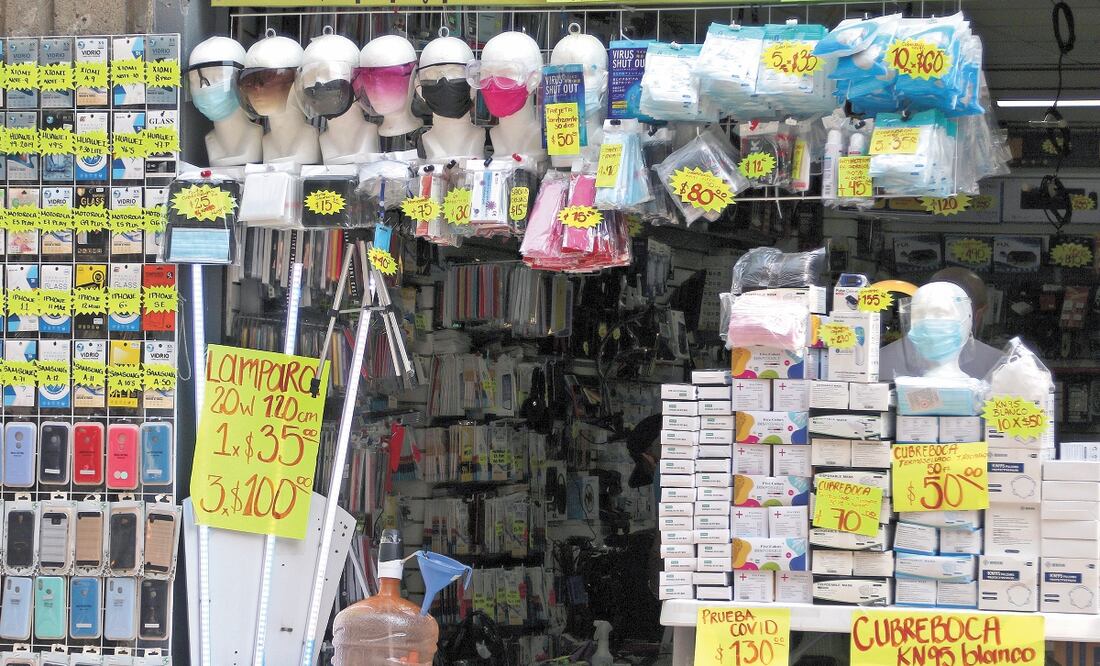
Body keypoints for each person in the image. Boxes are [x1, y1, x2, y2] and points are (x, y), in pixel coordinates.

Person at [878, 267, 1003, 380]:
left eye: (939, 313)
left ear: (969, 315)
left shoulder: (997, 364)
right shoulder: (878, 362)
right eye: (920, 313)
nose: (928, 321)